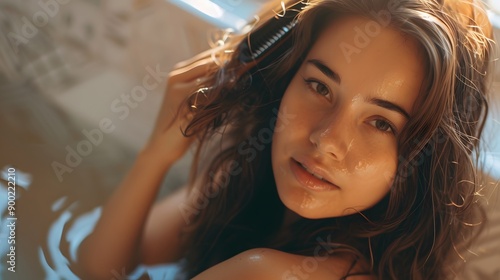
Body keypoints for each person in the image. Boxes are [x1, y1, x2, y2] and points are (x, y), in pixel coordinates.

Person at [77, 0, 494, 279]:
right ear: (284, 77)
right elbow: (101, 269)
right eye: (320, 87)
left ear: (423, 156)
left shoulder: (263, 274)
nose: (326, 139)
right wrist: (158, 153)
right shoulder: (247, 180)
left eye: (381, 123)